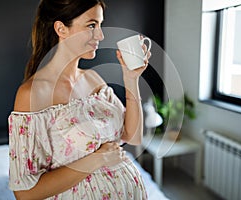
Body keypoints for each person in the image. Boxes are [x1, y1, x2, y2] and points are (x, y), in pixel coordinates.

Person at [8, 0, 151, 199]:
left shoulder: (93, 79)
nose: (100, 35)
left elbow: (132, 136)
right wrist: (97, 159)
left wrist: (131, 79)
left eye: (100, 25)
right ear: (61, 29)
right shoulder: (32, 94)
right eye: (91, 25)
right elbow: (24, 193)